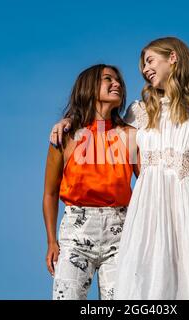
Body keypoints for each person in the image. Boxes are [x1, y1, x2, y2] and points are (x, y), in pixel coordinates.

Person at [114, 37, 189, 299]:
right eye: (142, 67)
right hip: (147, 208)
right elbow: (105, 137)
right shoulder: (139, 111)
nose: (145, 70)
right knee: (146, 284)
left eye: (150, 61)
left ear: (173, 57)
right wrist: (68, 122)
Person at [42, 64, 138, 300]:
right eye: (108, 79)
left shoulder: (131, 135)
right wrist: (52, 241)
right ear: (89, 87)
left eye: (118, 80)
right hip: (76, 229)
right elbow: (50, 193)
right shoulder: (66, 136)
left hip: (121, 230)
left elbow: (149, 181)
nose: (116, 83)